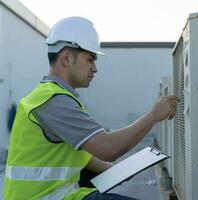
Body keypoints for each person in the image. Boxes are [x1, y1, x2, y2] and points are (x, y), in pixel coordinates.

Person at [3, 16, 180, 200]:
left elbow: (76, 155)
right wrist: (153, 115)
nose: (95, 68)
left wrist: (116, 172)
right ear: (66, 58)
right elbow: (109, 148)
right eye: (90, 60)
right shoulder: (55, 102)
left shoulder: (51, 96)